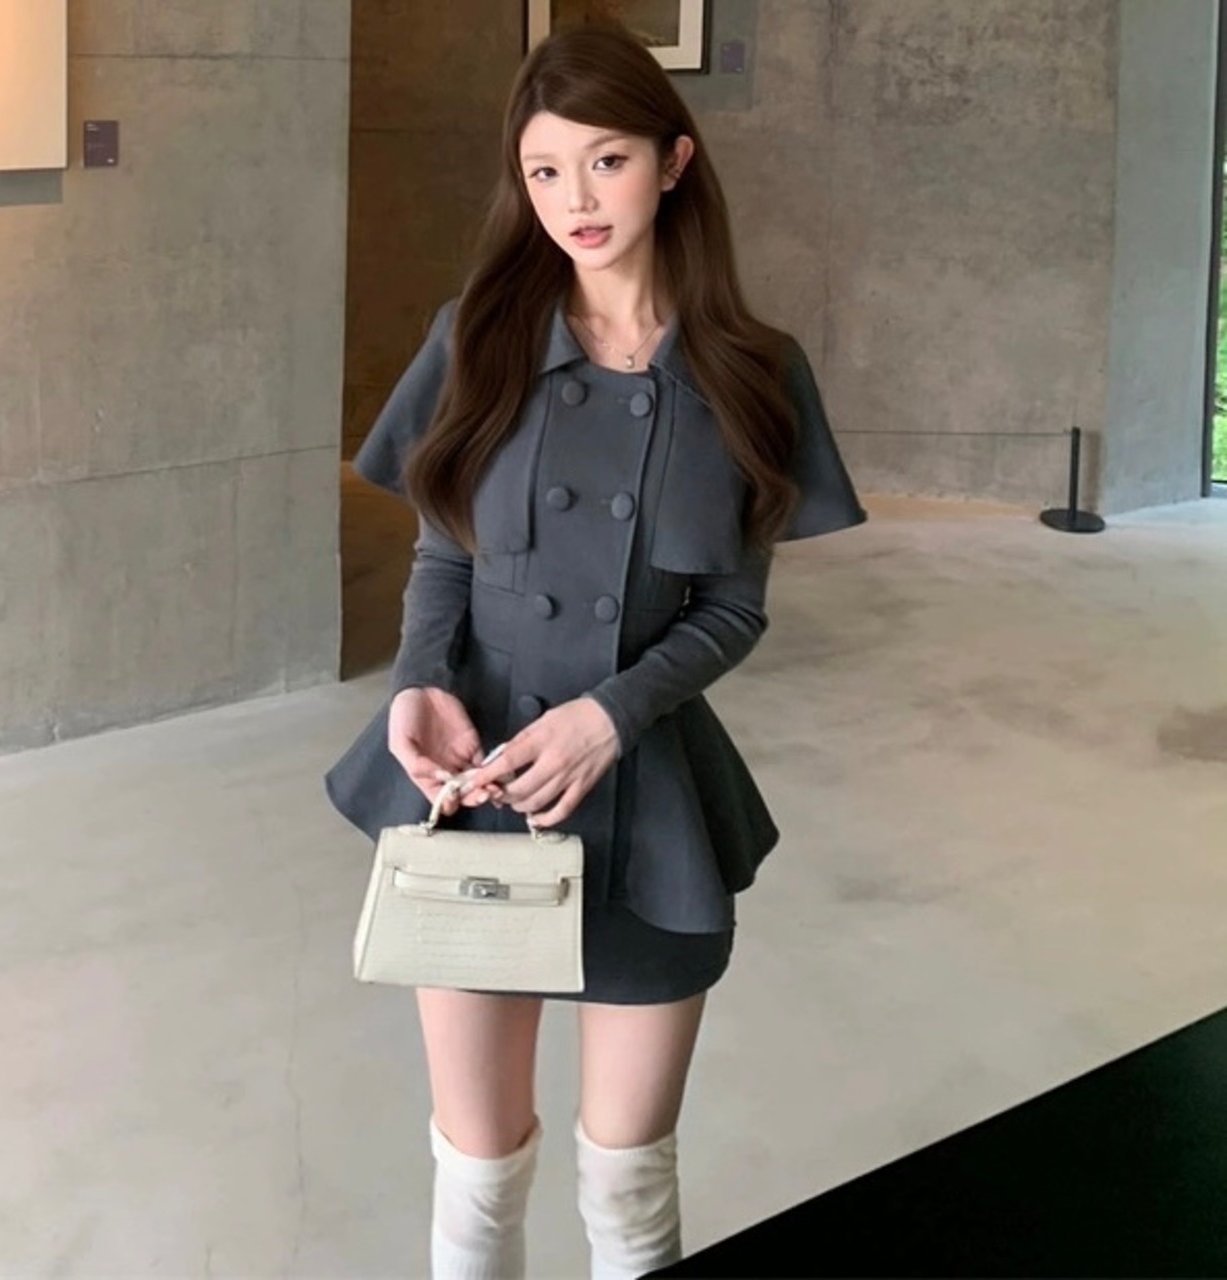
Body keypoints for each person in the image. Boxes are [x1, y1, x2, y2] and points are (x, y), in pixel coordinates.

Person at [325, 22, 865, 1280]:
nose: (575, 198)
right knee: (476, 1178)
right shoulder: (476, 337)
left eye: (606, 160)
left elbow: (731, 608)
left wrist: (610, 717)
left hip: (650, 802)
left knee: (628, 1184)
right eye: (544, 170)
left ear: (672, 162)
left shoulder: (752, 372)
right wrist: (417, 683)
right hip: (481, 796)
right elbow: (444, 554)